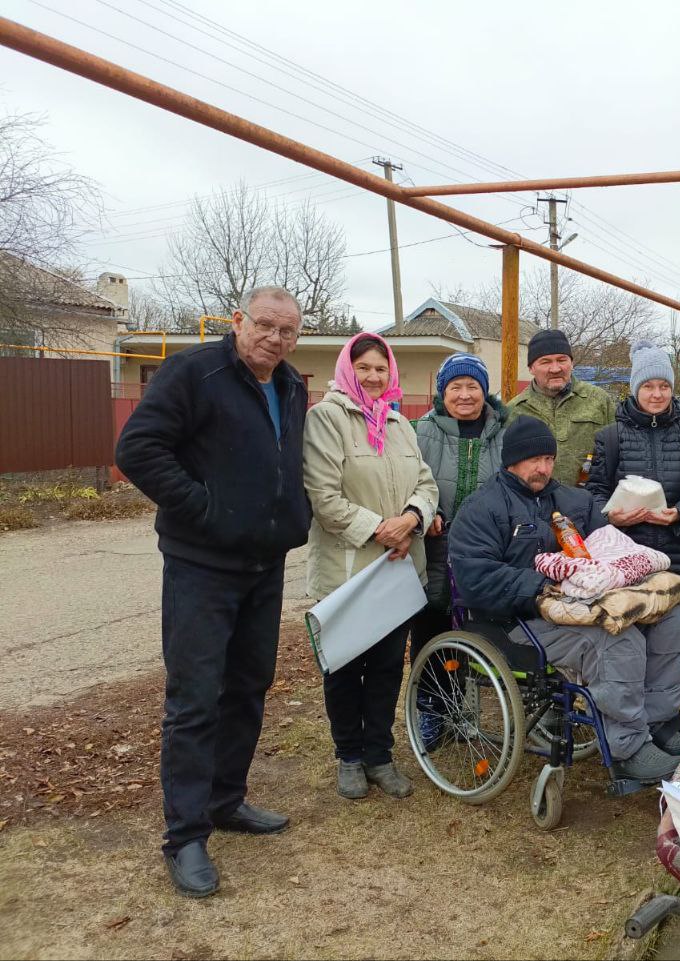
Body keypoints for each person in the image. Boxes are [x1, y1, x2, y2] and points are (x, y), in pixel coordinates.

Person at [115, 286, 312, 898]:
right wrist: (205, 507)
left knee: (248, 687)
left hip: (265, 563)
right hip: (202, 565)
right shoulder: (193, 372)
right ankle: (185, 835)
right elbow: (138, 450)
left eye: (288, 331)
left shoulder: (291, 386)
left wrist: (292, 515)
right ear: (237, 321)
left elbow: (285, 463)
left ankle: (227, 800)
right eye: (265, 326)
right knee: (196, 698)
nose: (275, 339)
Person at [448, 418, 680, 781]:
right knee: (615, 637)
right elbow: (476, 577)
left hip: (586, 604)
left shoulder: (575, 501)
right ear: (510, 461)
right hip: (518, 620)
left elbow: (610, 548)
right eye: (534, 459)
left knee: (671, 619)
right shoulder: (482, 508)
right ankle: (627, 748)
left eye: (548, 458)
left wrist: (625, 572)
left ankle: (660, 723)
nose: (543, 468)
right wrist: (544, 585)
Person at [303, 332, 439, 801]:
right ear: (348, 369)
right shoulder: (326, 419)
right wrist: (382, 529)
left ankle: (380, 756)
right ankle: (349, 757)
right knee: (344, 665)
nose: (374, 376)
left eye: (381, 368)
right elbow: (323, 497)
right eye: (364, 368)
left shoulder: (400, 423)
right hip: (348, 570)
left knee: (385, 668)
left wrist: (412, 520)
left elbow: (425, 483)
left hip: (396, 568)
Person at [409, 352, 506, 745]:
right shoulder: (422, 431)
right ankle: (430, 712)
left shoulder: (503, 430)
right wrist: (423, 513)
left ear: (485, 391)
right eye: (456, 387)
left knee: (472, 631)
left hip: (484, 549)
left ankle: (460, 708)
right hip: (433, 545)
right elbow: (409, 480)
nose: (465, 395)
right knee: (431, 628)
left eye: (473, 387)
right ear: (442, 392)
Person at [585, 340, 680, 601]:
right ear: (635, 388)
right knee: (631, 633)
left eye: (664, 386)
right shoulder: (610, 437)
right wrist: (612, 517)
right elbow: (595, 491)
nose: (656, 394)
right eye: (648, 386)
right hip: (626, 556)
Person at [506, 327, 615, 488]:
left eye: (562, 360)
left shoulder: (599, 400)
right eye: (545, 362)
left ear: (571, 363)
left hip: (590, 502)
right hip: (532, 505)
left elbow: (617, 453)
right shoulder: (514, 410)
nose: (555, 368)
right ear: (531, 368)